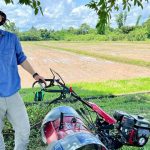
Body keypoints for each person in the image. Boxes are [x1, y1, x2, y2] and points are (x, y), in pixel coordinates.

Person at [0, 11, 45, 150]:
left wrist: (35, 74)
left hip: (13, 93)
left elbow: (21, 58)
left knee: (24, 130)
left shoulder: (11, 38)